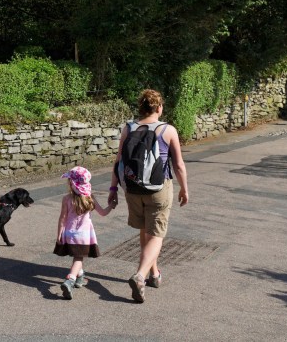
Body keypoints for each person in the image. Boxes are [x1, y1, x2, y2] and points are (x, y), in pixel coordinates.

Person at [107, 89, 189, 303]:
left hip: (133, 189)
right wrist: (184, 188)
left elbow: (118, 162)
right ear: (159, 108)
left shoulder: (129, 128)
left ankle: (154, 274)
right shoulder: (168, 130)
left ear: (140, 107)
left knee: (146, 231)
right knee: (157, 235)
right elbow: (178, 164)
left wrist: (113, 189)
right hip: (158, 189)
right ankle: (141, 275)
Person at [54, 166, 112, 299]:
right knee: (79, 258)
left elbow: (62, 218)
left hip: (69, 234)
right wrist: (111, 205)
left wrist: (59, 234)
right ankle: (70, 279)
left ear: (71, 183)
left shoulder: (67, 199)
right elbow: (103, 213)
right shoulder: (89, 197)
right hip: (83, 236)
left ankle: (80, 277)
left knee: (77, 255)